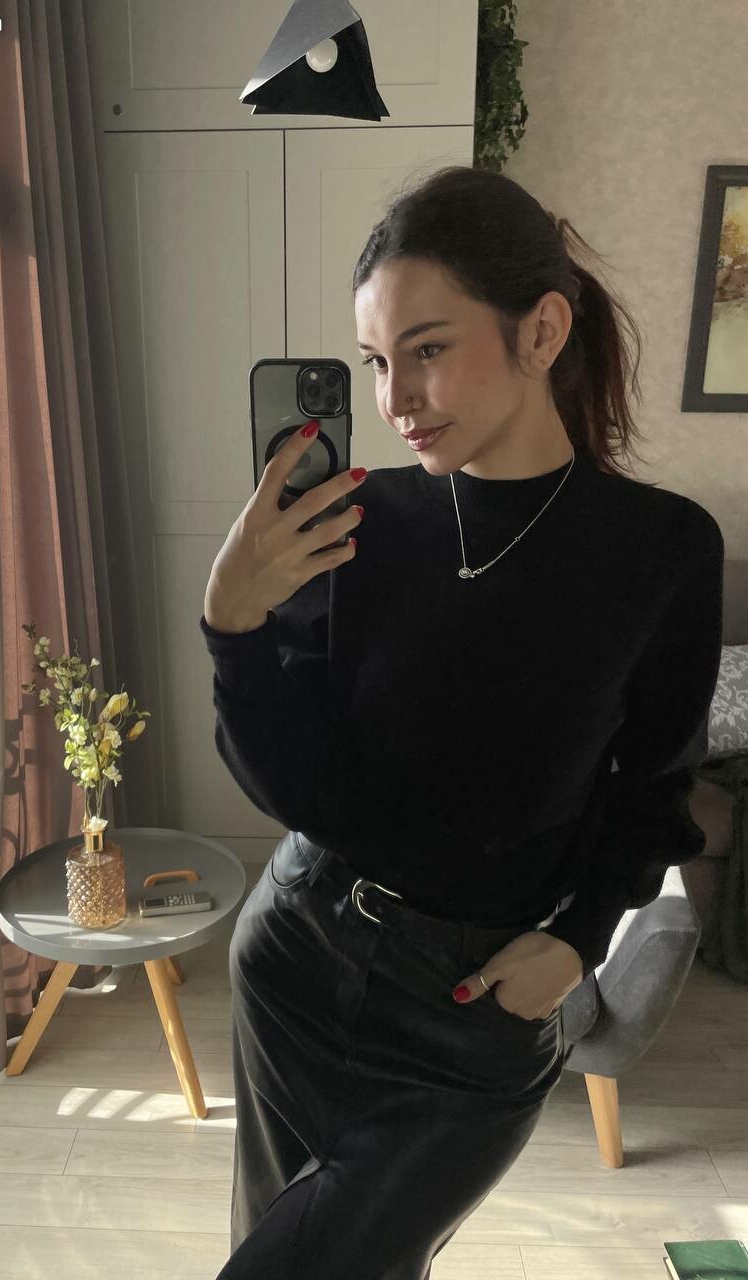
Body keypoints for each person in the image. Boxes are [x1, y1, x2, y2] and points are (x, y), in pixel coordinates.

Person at [198, 165, 724, 1280]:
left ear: (543, 331)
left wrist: (580, 939)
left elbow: (653, 791)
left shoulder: (662, 551)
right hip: (299, 951)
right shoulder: (356, 521)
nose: (396, 398)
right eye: (376, 361)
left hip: (472, 1010)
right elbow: (300, 786)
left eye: (427, 348)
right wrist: (233, 630)